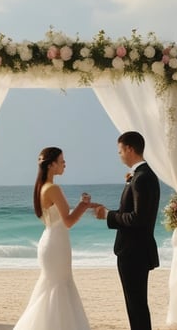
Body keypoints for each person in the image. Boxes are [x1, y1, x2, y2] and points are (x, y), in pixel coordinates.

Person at [13, 146, 95, 330]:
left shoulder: (42, 187)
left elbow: (61, 218)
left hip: (52, 242)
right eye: (61, 160)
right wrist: (84, 204)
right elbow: (68, 221)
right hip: (57, 245)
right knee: (58, 288)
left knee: (53, 288)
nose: (64, 163)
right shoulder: (53, 188)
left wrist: (87, 206)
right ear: (51, 165)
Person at [93, 131, 160, 330]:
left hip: (134, 252)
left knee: (136, 305)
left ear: (130, 149)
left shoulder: (142, 178)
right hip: (135, 250)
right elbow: (132, 212)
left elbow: (138, 218)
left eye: (120, 151)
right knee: (136, 304)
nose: (119, 155)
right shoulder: (140, 176)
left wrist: (108, 215)